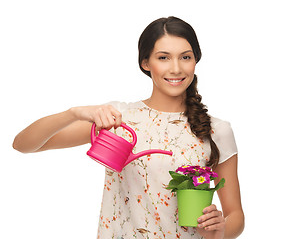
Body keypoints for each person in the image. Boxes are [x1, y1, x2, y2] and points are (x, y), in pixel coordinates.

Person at [13, 16, 244, 239]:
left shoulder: (216, 130)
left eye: (185, 57)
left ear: (195, 60)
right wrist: (73, 113)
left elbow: (236, 216)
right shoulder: (117, 119)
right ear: (145, 63)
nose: (176, 68)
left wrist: (220, 229)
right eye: (163, 58)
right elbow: (24, 145)